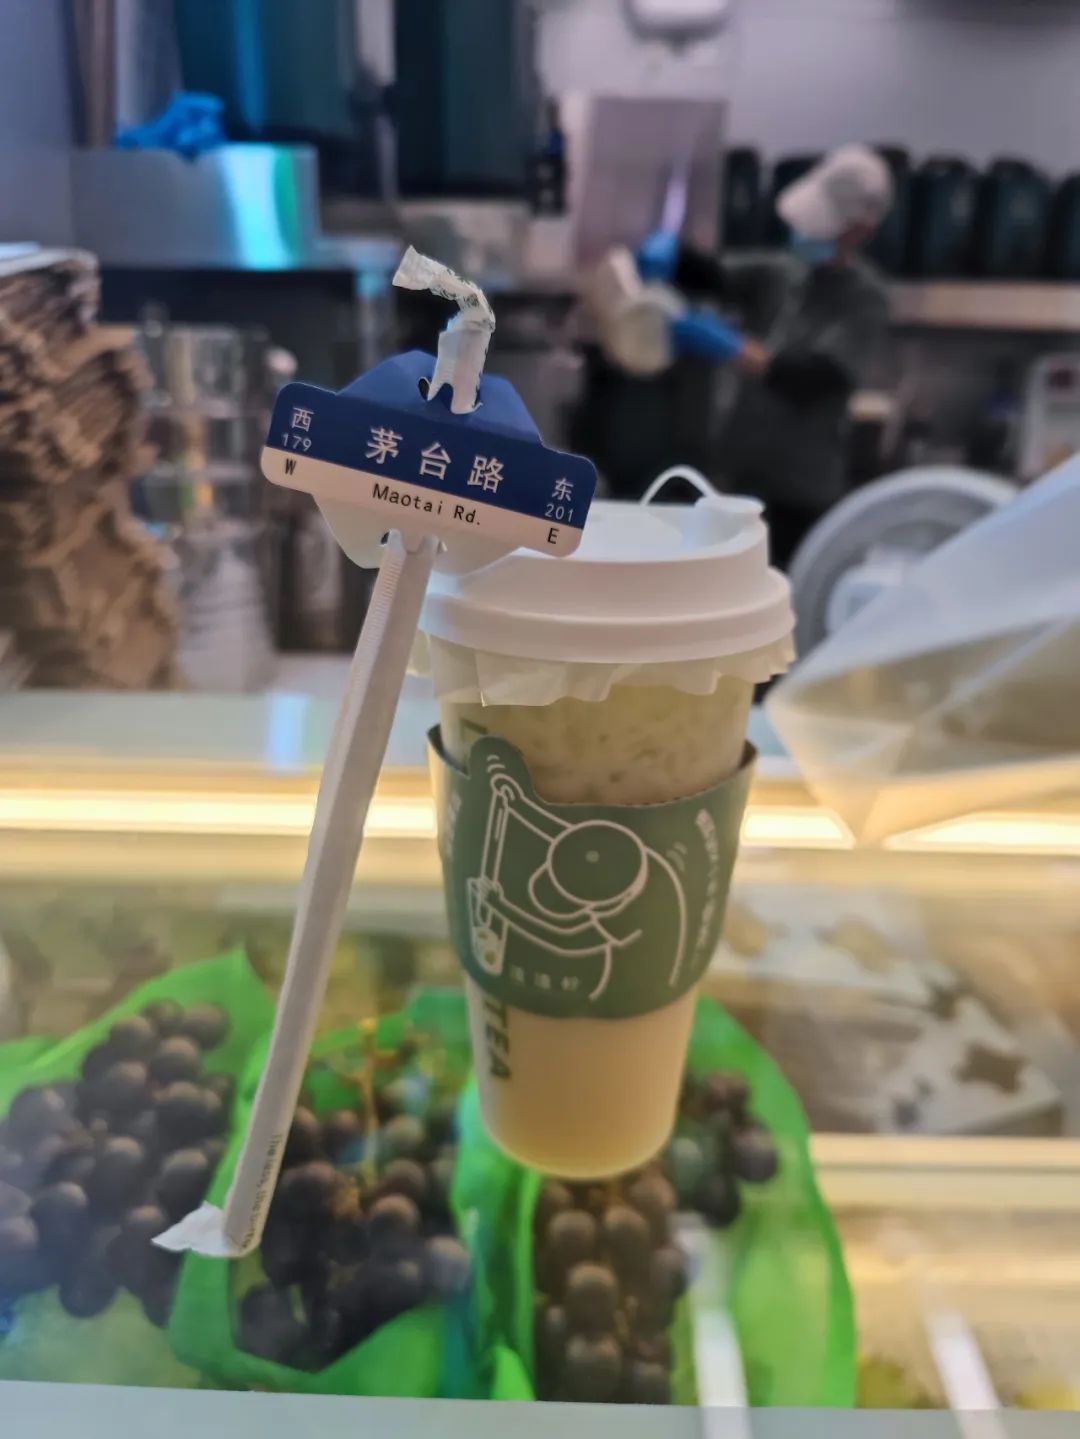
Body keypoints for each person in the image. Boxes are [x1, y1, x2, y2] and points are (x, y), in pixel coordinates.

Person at [651, 144, 895, 566]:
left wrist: (727, 345)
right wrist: (665, 253)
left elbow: (811, 378)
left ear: (859, 230)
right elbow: (711, 274)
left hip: (798, 498)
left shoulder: (865, 301)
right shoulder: (782, 273)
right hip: (738, 481)